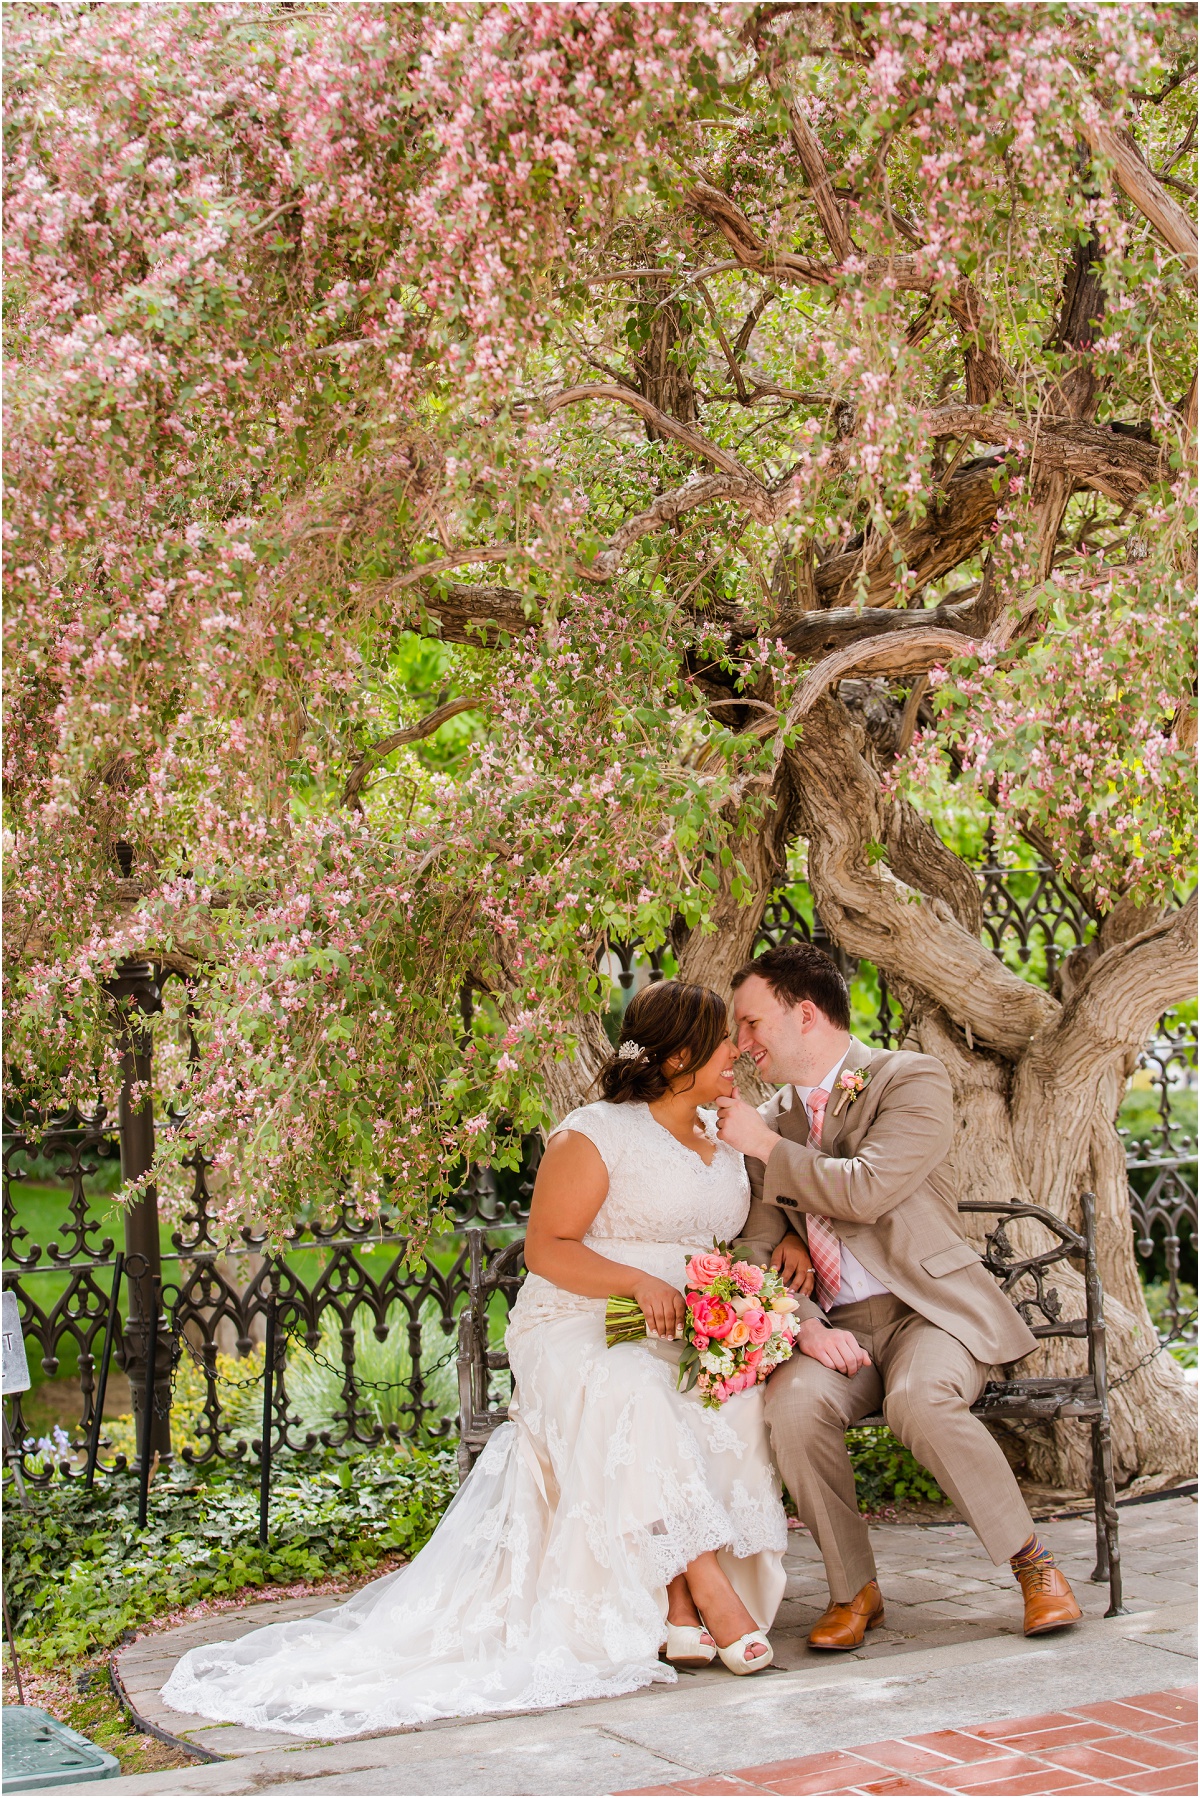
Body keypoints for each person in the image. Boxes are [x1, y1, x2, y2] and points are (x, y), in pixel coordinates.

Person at [161, 980, 786, 1739]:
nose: (739, 1054)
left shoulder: (724, 1139)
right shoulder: (595, 1134)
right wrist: (636, 1281)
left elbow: (734, 1232)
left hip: (686, 1330)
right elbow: (547, 1249)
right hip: (580, 1322)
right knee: (631, 1390)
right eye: (726, 1041)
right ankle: (709, 1587)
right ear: (682, 1052)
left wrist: (762, 1262)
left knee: (733, 1397)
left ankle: (677, 1605)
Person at [716, 942, 1083, 1651]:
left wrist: (764, 1148)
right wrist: (808, 1325)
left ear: (805, 1015)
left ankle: (1032, 1565)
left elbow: (867, 1189)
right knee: (791, 1408)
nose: (742, 1044)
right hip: (837, 1326)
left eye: (752, 1024)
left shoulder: (908, 1078)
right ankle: (856, 1591)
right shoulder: (771, 1121)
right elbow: (756, 1246)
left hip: (929, 1313)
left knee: (919, 1398)